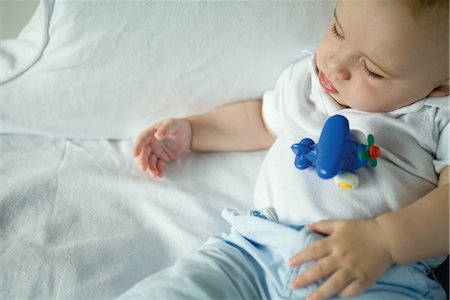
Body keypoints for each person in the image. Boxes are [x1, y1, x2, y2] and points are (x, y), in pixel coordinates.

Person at [123, 0, 449, 299]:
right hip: (256, 251)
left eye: (372, 70)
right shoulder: (305, 85)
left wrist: (385, 240)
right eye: (337, 30)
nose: (334, 64)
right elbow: (259, 121)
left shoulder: (436, 119)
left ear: (440, 86)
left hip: (378, 276)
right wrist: (193, 131)